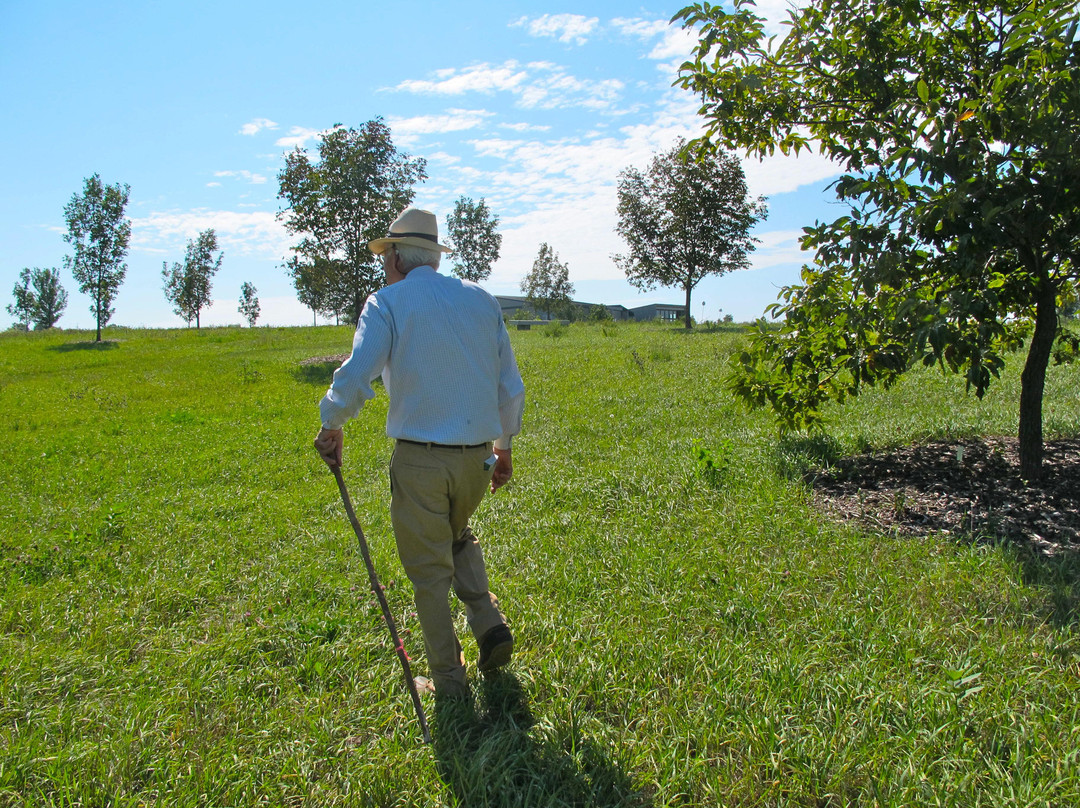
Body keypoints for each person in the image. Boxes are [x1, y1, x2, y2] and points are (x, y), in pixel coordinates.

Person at [313, 207, 525, 701]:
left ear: (397, 259)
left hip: (421, 460)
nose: (384, 266)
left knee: (429, 570)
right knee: (454, 535)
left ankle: (449, 683)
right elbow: (509, 386)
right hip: (477, 459)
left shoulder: (386, 302)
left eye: (386, 256)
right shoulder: (481, 300)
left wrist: (332, 423)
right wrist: (504, 447)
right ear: (432, 254)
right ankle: (489, 622)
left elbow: (357, 368)